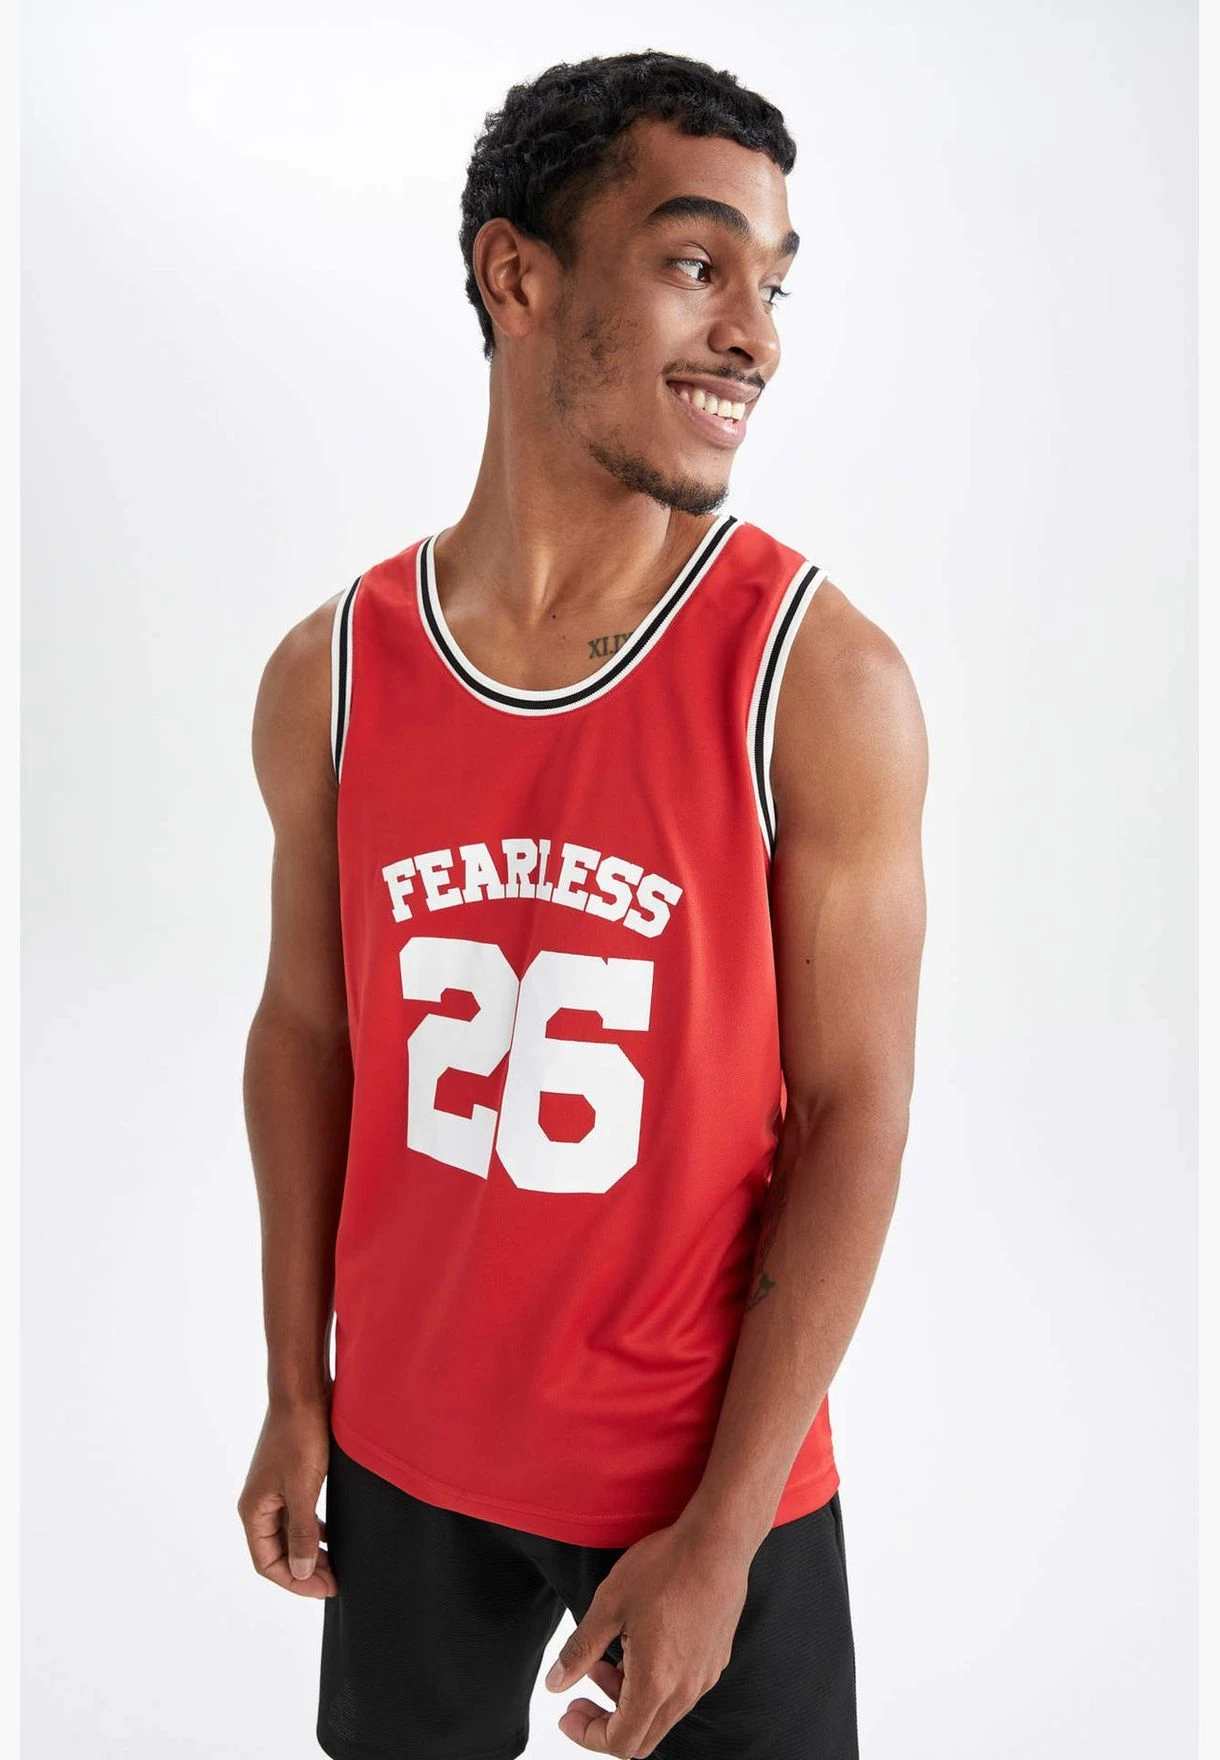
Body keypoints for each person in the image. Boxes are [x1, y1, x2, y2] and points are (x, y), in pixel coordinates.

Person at [237, 49, 927, 1760]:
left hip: (704, 1483)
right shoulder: (334, 673)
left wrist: (725, 1535)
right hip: (404, 1452)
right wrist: (296, 1388)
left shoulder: (816, 681)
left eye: (773, 286)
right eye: (698, 265)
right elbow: (308, 1032)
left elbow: (854, 1113)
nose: (755, 338)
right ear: (518, 276)